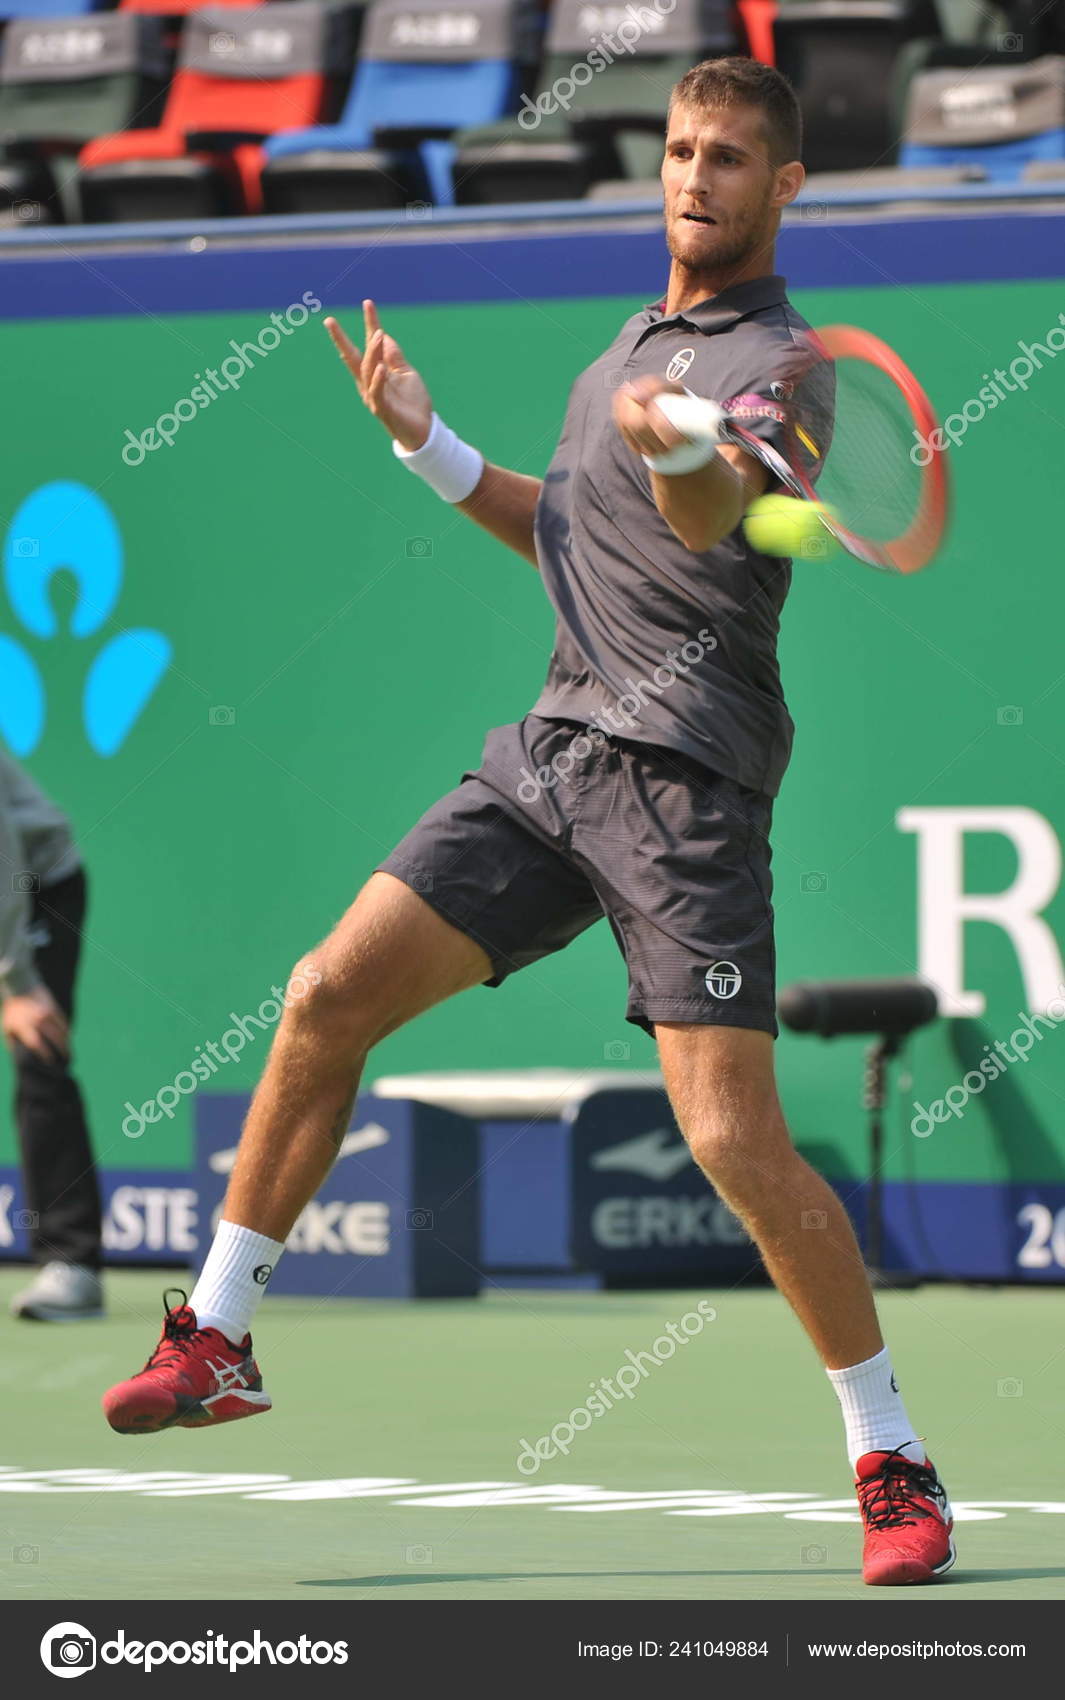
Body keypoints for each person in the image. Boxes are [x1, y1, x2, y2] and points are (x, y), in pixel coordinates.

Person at [101, 57, 954, 1586]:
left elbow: (701, 524)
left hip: (685, 783)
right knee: (322, 995)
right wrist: (428, 445)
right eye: (683, 149)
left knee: (731, 1141)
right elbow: (567, 541)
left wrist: (682, 444)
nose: (697, 177)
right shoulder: (623, 349)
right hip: (552, 757)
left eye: (732, 158)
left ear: (785, 188)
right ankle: (216, 1333)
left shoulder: (789, 365)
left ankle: (889, 1457)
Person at [0, 747, 102, 1320]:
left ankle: (72, 1263)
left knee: (37, 1048)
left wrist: (15, 984)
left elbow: (3, 857)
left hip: (33, 885)